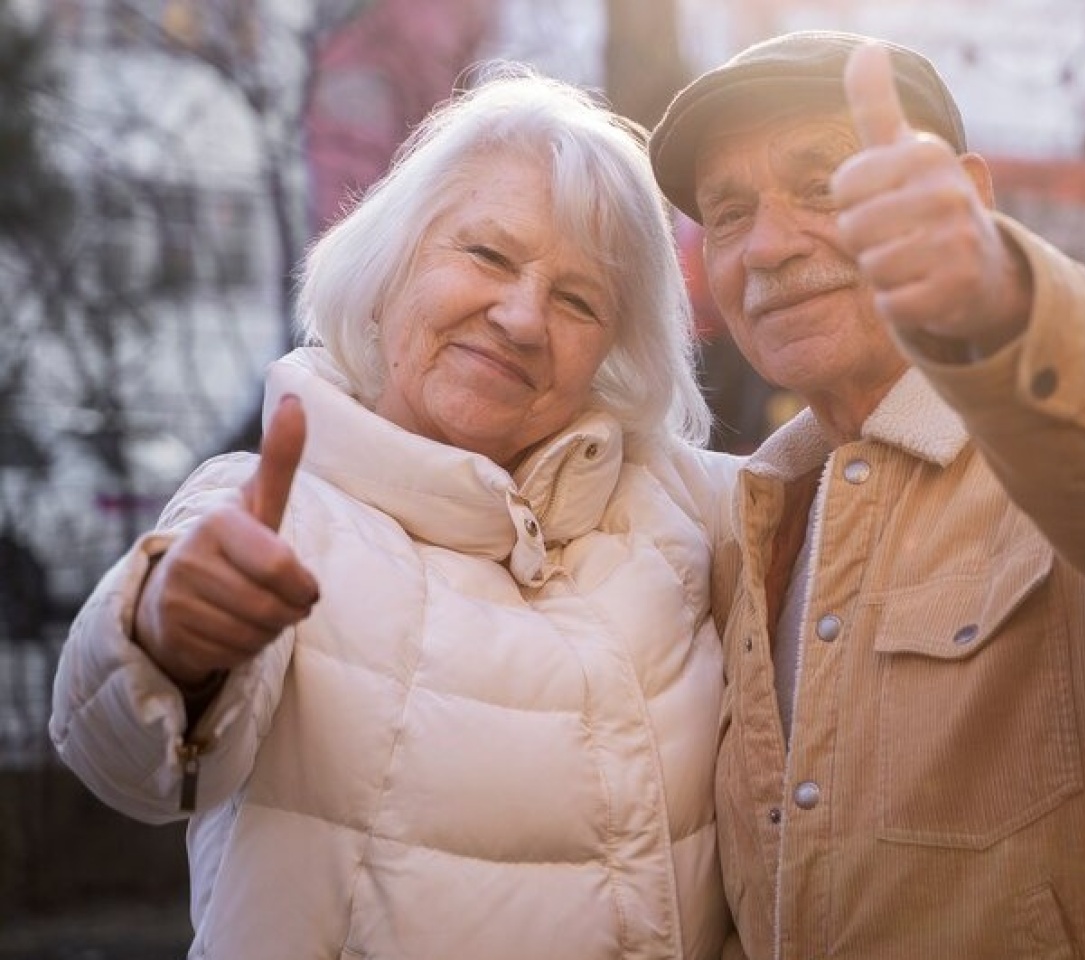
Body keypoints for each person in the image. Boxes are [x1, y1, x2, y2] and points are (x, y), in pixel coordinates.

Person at [51, 67, 736, 959]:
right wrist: (167, 640)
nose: (524, 318)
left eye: (578, 301)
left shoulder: (680, 507)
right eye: (488, 256)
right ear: (388, 265)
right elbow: (125, 760)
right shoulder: (269, 510)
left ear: (613, 349)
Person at [648, 31, 1085, 959]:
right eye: (728, 213)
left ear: (973, 201)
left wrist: (1002, 302)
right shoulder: (747, 527)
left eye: (826, 187)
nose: (768, 246)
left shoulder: (1083, 460)